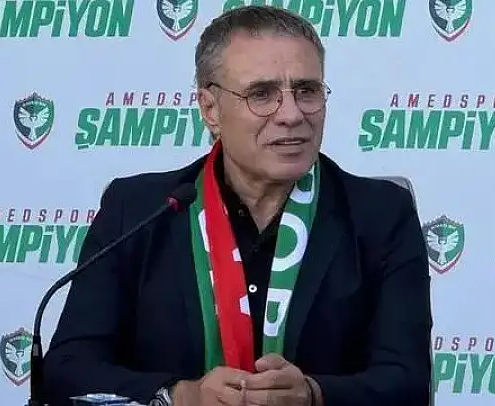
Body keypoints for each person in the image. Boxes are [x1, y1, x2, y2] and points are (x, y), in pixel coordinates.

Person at [43, 5, 432, 406]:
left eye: (306, 90)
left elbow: (409, 383)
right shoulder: (138, 210)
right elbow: (66, 369)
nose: (292, 114)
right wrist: (181, 395)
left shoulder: (381, 214)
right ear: (210, 109)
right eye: (261, 94)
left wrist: (313, 395)